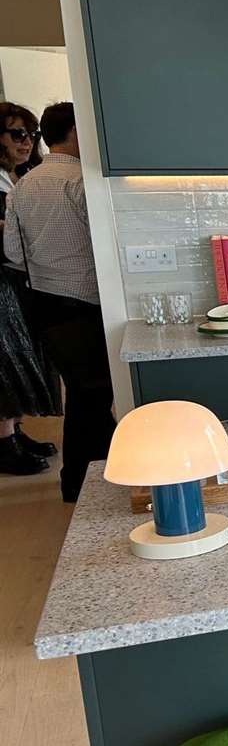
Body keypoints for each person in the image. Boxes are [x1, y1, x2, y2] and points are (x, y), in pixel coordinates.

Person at [3, 102, 112, 500]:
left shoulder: (25, 184)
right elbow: (105, 246)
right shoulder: (84, 182)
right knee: (94, 398)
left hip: (45, 305)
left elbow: (13, 252)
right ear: (76, 133)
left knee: (82, 394)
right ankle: (89, 485)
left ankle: (78, 483)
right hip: (87, 303)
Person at [0, 101, 60, 476]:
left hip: (13, 279)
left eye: (32, 134)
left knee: (18, 358)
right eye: (17, 133)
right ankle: (5, 441)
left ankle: (14, 432)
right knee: (5, 362)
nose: (26, 142)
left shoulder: (16, 177)